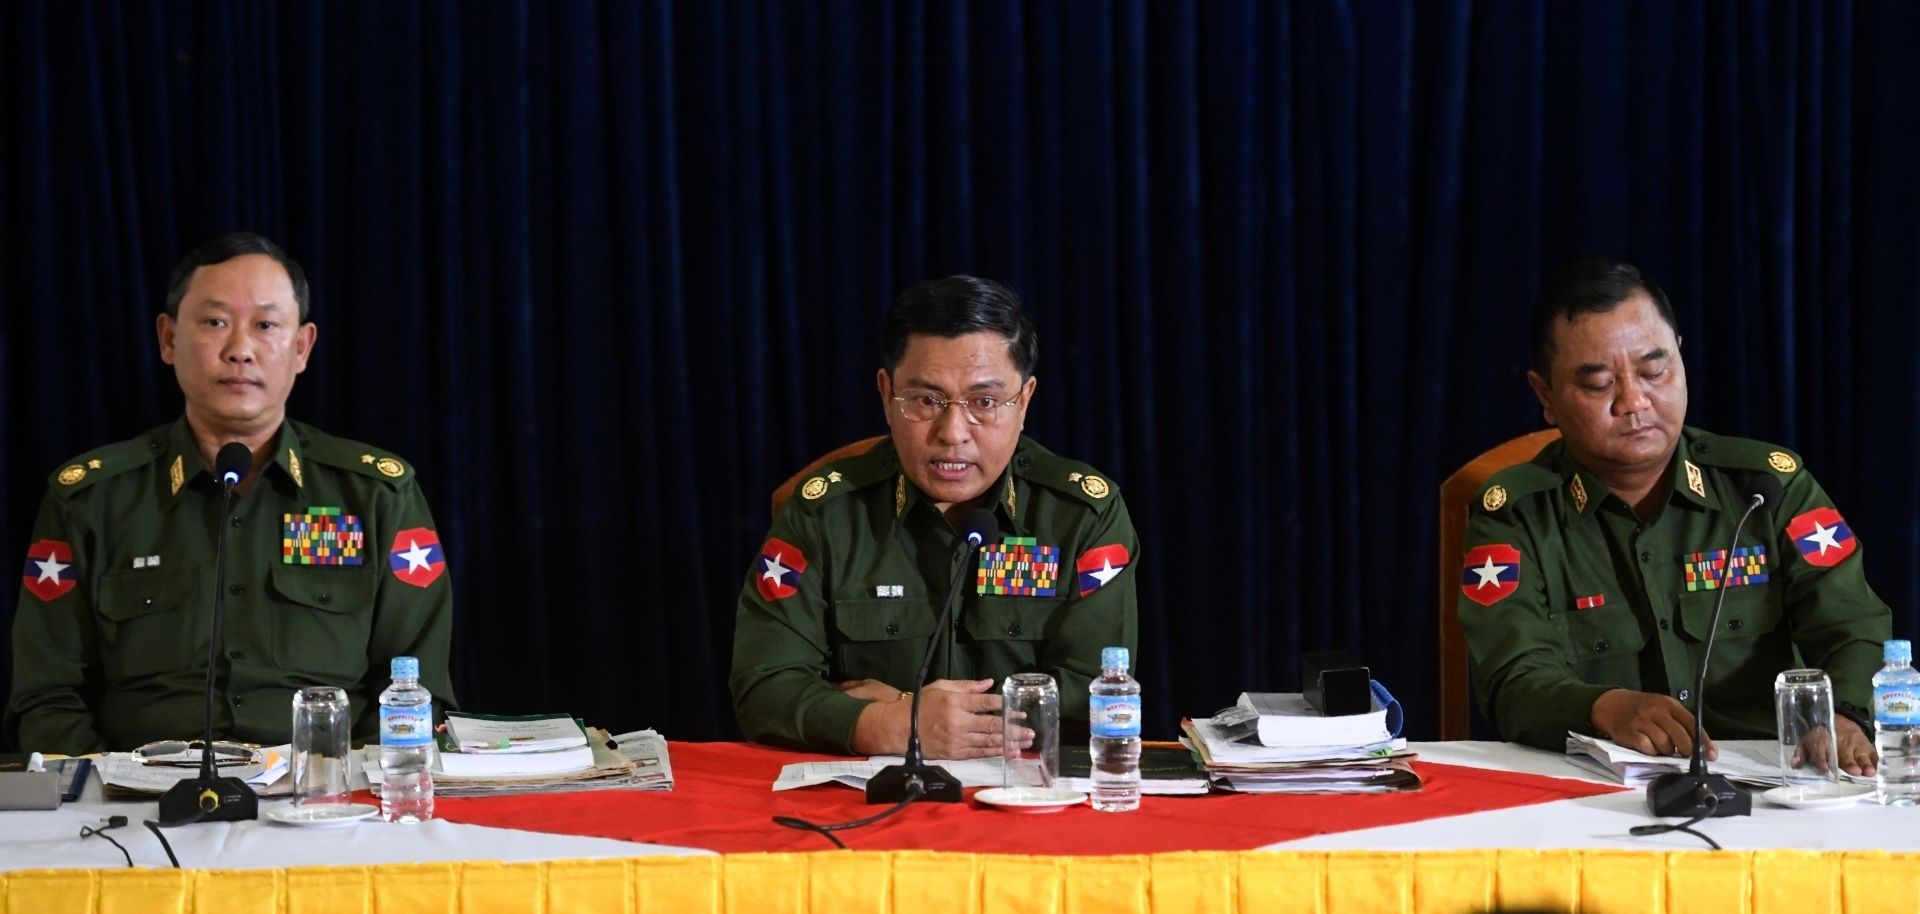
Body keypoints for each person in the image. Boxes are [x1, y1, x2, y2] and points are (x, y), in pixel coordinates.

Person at [7, 232, 457, 754]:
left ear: (302, 347)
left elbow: (416, 695)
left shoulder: (375, 495)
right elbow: (46, 698)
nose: (240, 349)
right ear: (169, 339)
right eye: (215, 322)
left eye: (266, 325)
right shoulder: (91, 500)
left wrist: (349, 796)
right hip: (137, 805)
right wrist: (104, 791)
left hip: (327, 801)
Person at [1459, 257, 1890, 774]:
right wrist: (1603, 706)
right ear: (1545, 396)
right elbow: (1511, 678)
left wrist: (1844, 714)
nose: (1634, 401)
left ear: (1680, 359)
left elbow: (1851, 624)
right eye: (1598, 385)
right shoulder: (1516, 513)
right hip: (1595, 784)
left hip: (1777, 778)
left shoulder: (1768, 486)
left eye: (1653, 371)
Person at [730, 276, 1139, 758]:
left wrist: (912, 712)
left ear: (1024, 401)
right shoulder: (825, 513)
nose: (952, 433)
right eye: (926, 401)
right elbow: (764, 689)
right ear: (886, 395)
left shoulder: (1081, 515)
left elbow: (1100, 694)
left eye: (984, 403)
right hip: (867, 798)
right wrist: (885, 724)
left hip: (1028, 794)